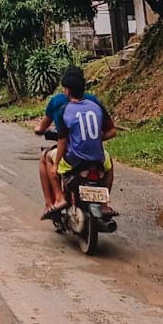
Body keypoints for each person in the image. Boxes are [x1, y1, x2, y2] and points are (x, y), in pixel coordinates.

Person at [34, 67, 115, 217]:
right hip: (98, 158)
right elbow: (112, 130)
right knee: (109, 163)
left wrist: (56, 165)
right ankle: (104, 204)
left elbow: (62, 140)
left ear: (67, 90)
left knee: (47, 158)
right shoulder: (95, 105)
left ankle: (58, 199)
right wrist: (96, 138)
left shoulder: (64, 108)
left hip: (74, 158)